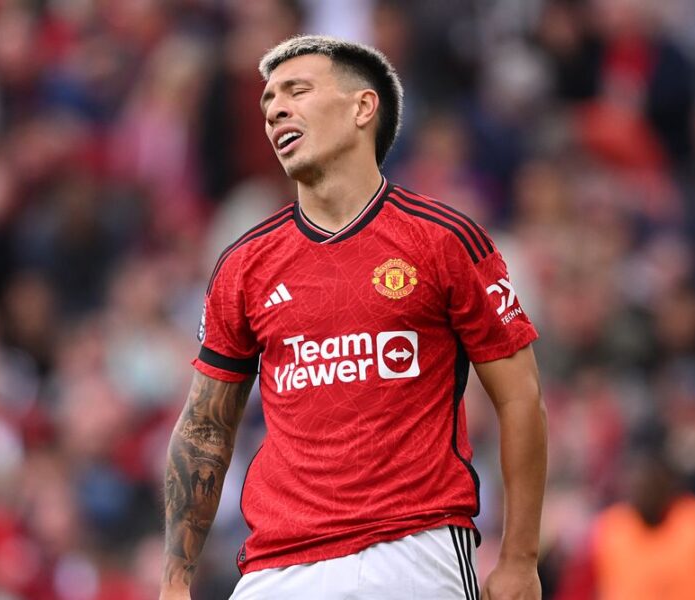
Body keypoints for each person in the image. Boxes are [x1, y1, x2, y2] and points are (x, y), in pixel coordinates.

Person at [162, 35, 547, 600]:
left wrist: (519, 558)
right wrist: (175, 581)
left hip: (414, 550)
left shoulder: (445, 241)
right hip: (276, 566)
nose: (274, 110)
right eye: (268, 100)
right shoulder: (243, 266)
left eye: (297, 91)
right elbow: (204, 426)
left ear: (362, 108)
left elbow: (521, 399)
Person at [555, 449, 695, 600]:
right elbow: (575, 591)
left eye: (651, 483)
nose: (644, 491)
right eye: (637, 485)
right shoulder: (607, 532)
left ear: (668, 485)